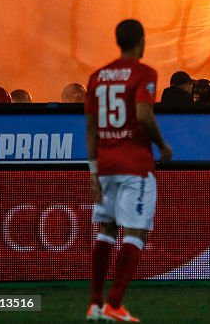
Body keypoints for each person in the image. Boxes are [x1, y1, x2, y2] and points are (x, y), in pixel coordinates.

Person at [85, 19, 172, 322]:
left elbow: (91, 128)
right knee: (135, 233)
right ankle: (115, 304)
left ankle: (95, 304)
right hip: (135, 163)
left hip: (106, 164)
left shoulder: (97, 77)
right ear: (142, 42)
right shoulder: (144, 73)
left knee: (106, 230)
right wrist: (161, 145)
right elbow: (144, 114)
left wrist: (94, 171)